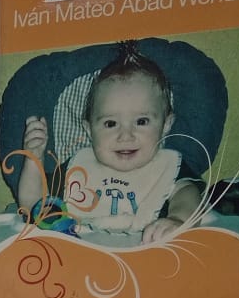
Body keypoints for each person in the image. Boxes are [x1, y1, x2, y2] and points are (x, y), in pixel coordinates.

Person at [16, 40, 203, 244]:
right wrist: (34, 158)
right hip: (80, 255)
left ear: (166, 124)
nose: (125, 136)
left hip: (149, 254)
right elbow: (34, 205)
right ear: (90, 130)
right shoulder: (79, 169)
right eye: (111, 123)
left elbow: (188, 194)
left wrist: (178, 220)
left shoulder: (168, 167)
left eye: (141, 121)